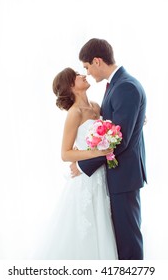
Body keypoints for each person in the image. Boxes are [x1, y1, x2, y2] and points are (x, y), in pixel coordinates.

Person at [70, 38, 147, 260]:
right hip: (120, 174)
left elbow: (118, 140)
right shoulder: (118, 84)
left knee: (128, 240)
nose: (88, 73)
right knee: (121, 240)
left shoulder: (125, 86)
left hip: (124, 175)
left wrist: (84, 165)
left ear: (97, 61)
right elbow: (120, 127)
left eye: (87, 67)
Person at [39, 67, 118, 260]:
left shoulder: (96, 106)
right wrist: (97, 152)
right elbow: (65, 154)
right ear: (71, 86)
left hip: (103, 175)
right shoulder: (74, 113)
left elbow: (114, 130)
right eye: (76, 75)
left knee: (104, 223)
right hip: (85, 179)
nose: (83, 75)